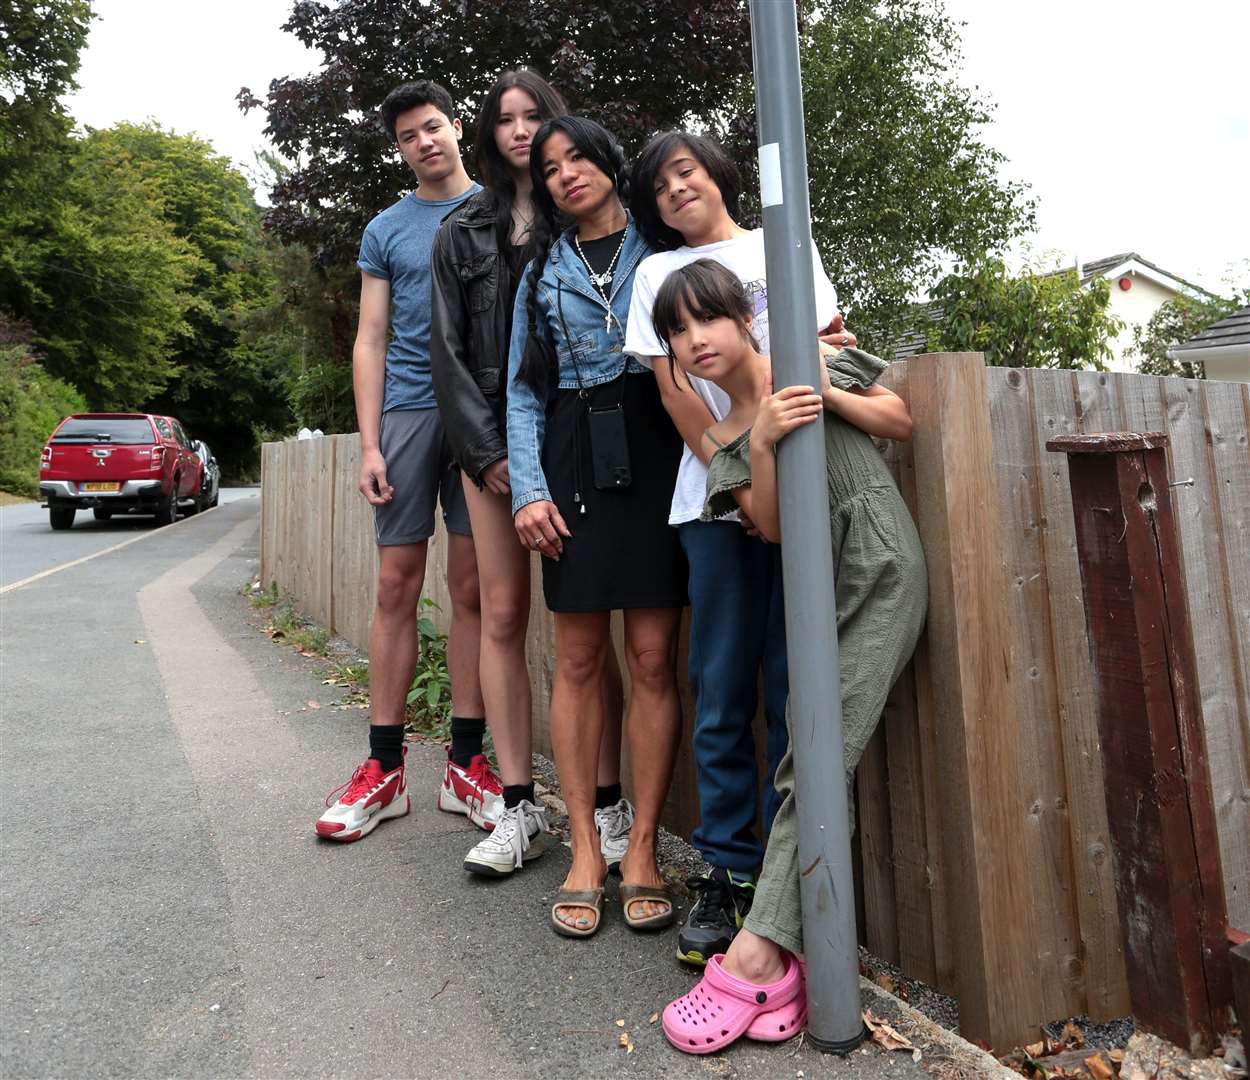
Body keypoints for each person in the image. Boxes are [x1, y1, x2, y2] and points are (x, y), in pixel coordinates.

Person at [649, 259, 927, 1054]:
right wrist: (764, 436)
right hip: (815, 594)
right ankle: (783, 956)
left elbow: (899, 419)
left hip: (879, 569)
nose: (695, 340)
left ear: (743, 321)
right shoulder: (727, 438)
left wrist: (820, 394)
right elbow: (766, 526)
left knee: (812, 757)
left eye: (707, 319)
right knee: (802, 757)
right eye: (676, 331)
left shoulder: (813, 359)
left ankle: (757, 949)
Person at [625, 131, 853, 965]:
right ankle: (729, 872)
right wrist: (735, 473)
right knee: (721, 691)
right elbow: (678, 398)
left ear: (715, 174)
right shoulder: (654, 275)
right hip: (713, 508)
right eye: (659, 187)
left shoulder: (782, 245)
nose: (677, 190)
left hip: (801, 497)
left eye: (686, 171)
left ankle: (794, 873)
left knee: (798, 689)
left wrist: (773, 473)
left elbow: (833, 346)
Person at [429, 71, 632, 877]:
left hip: (579, 438)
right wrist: (490, 456)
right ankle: (518, 806)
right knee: (503, 612)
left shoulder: (579, 213)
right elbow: (448, 358)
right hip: (492, 450)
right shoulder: (462, 232)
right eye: (505, 119)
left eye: (534, 117)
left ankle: (608, 803)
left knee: (591, 615)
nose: (520, 131)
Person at [506, 116, 687, 937]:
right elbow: (519, 388)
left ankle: (642, 847)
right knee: (579, 657)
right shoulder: (541, 268)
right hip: (571, 455)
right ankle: (585, 845)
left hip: (659, 446)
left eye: (578, 157)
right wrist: (528, 491)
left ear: (610, 163)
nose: (566, 174)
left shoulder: (667, 249)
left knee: (653, 657)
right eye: (549, 168)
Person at [316, 80, 492, 842]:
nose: (424, 142)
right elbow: (371, 339)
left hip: (479, 416)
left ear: (455, 129)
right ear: (400, 150)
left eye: (432, 127)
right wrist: (370, 442)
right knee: (395, 583)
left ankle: (466, 763)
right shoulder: (386, 229)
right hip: (411, 416)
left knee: (473, 589)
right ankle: (384, 770)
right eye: (408, 137)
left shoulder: (500, 210)